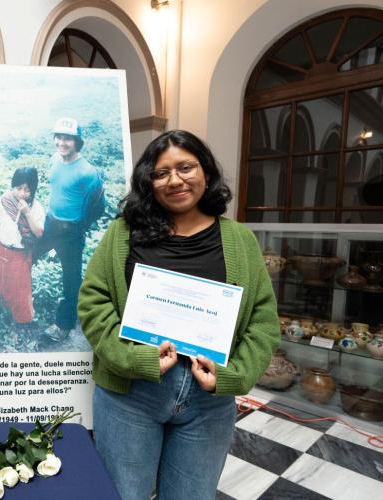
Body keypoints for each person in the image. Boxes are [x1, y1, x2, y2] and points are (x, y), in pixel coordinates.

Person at [77, 130, 279, 499]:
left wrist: (234, 375)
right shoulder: (123, 233)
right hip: (130, 394)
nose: (175, 180)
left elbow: (263, 321)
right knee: (124, 494)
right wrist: (131, 358)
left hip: (208, 401)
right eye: (161, 173)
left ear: (206, 172)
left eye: (186, 167)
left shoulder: (240, 240)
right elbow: (94, 302)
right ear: (148, 181)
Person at [35, 117, 103, 342]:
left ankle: (63, 325)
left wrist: (78, 227)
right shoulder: (55, 159)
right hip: (50, 223)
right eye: (59, 137)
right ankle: (22, 301)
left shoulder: (87, 172)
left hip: (70, 232)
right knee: (28, 254)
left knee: (70, 278)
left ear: (77, 142)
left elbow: (99, 206)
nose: (62, 143)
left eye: (68, 139)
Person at [0, 167, 45, 346]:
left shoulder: (36, 208)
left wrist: (27, 212)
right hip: (2, 249)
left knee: (20, 290)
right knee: (2, 284)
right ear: (12, 187)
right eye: (18, 188)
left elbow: (39, 232)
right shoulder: (3, 203)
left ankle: (22, 324)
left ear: (33, 190)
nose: (22, 193)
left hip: (21, 254)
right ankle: (4, 313)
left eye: (27, 189)